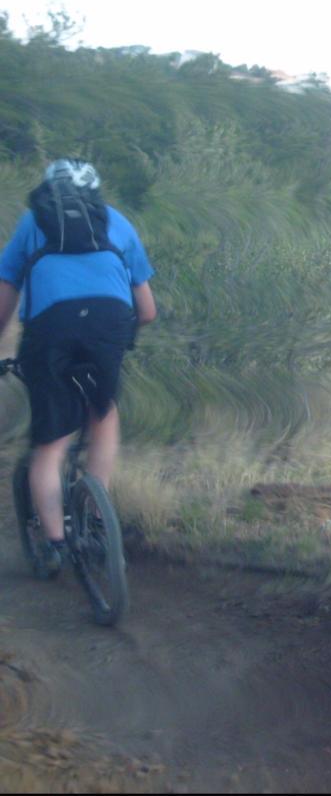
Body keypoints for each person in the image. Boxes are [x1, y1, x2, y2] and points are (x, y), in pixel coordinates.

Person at [0, 158, 157, 572]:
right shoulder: (117, 221)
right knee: (103, 413)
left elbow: (7, 291)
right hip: (109, 321)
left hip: (50, 330)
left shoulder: (32, 222)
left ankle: (54, 546)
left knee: (50, 446)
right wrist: (119, 337)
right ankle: (98, 512)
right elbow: (148, 310)